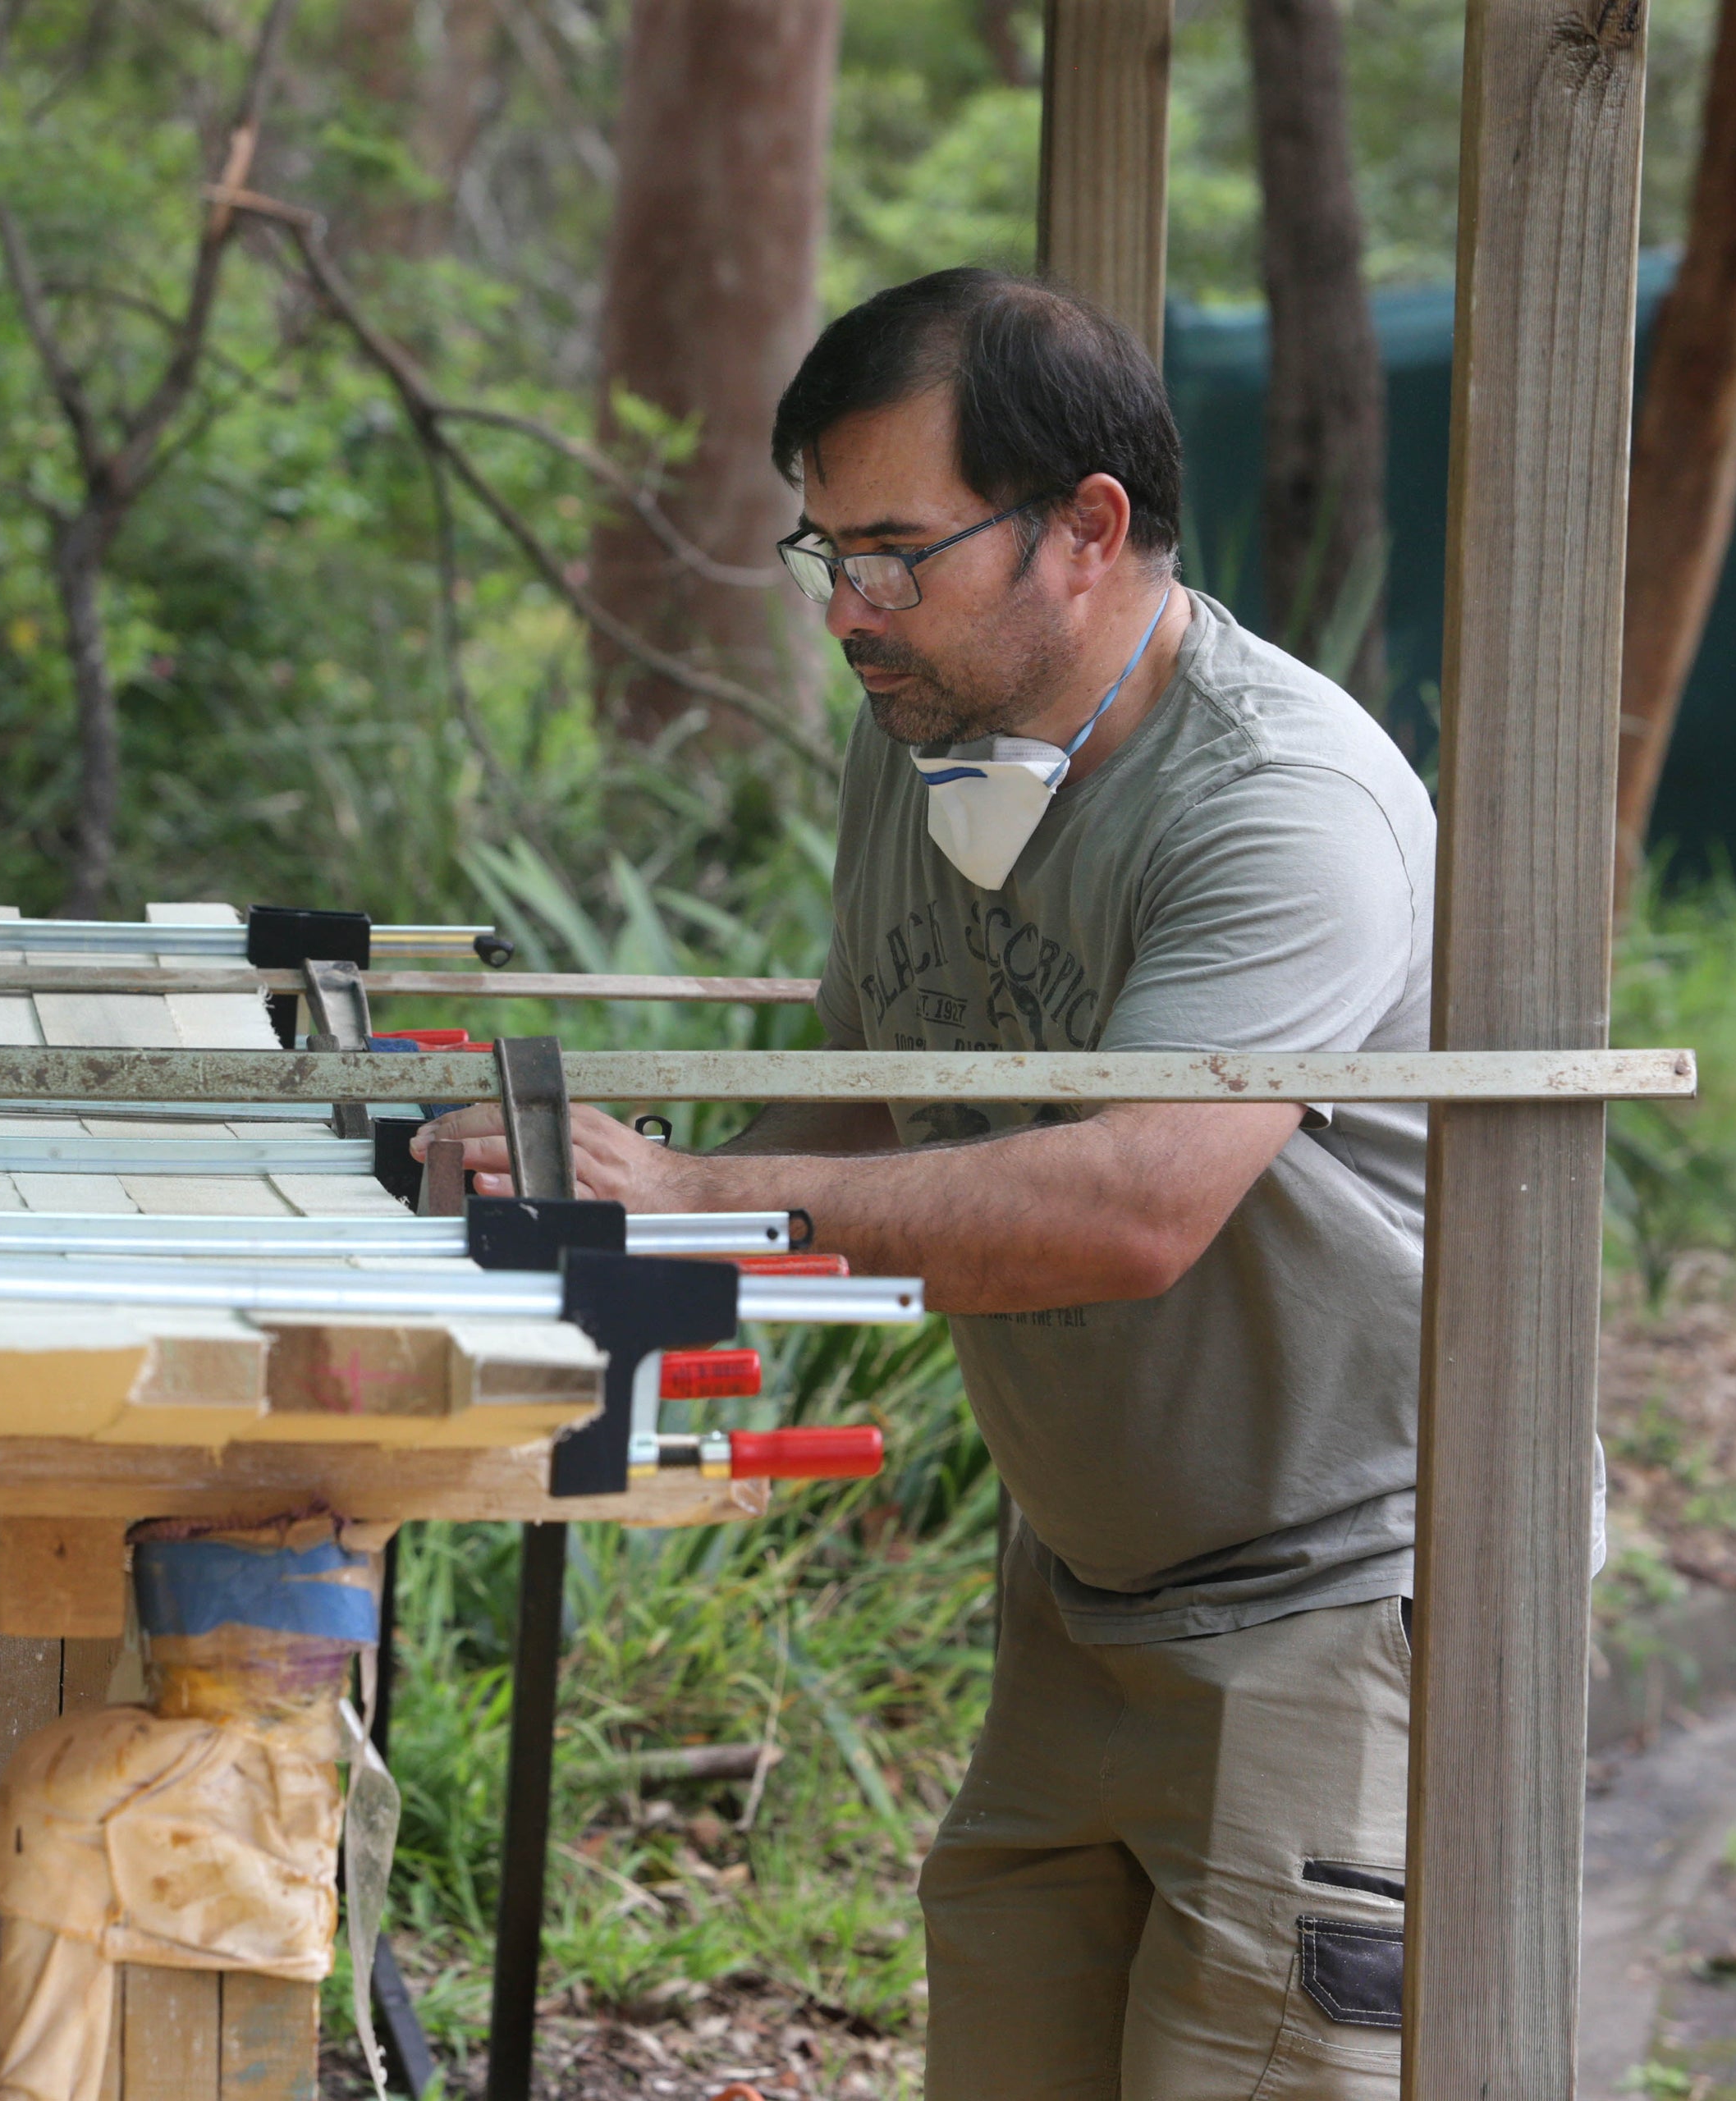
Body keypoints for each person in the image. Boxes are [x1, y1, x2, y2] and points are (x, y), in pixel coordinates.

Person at [417, 268, 1433, 2095]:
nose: (853, 616)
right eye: (826, 559)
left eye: (897, 552)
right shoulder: (931, 738)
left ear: (1088, 529)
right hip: (1086, 1587)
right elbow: (866, 1107)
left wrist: (694, 1197)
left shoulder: (1281, 805)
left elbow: (1133, 1206)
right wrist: (563, 1180)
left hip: (1333, 1611)